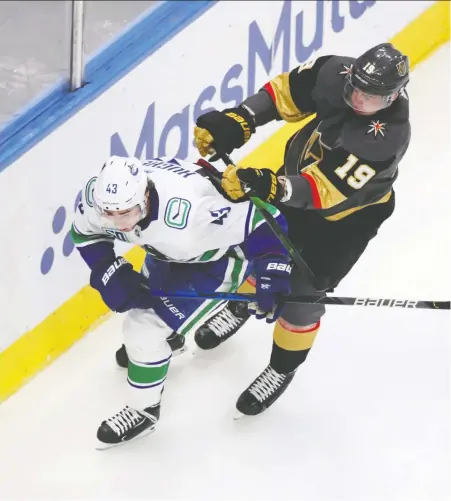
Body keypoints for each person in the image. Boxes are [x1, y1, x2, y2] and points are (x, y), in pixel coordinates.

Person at [192, 43, 411, 416]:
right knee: (259, 250)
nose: (359, 99)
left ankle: (282, 369)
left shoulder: (384, 139)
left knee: (303, 295)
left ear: (391, 97)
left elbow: (322, 192)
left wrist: (270, 186)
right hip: (296, 186)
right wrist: (241, 118)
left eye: (371, 96)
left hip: (345, 221)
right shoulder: (336, 71)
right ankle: (242, 306)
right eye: (356, 87)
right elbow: (283, 93)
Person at [71, 155, 292, 448]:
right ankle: (167, 342)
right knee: (147, 324)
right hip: (164, 252)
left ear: (146, 195)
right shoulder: (96, 197)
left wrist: (274, 266)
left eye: (127, 213)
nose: (119, 224)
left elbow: (265, 218)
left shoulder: (190, 214)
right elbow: (85, 235)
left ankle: (144, 411)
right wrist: (107, 271)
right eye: (109, 215)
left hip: (215, 260)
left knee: (142, 330)